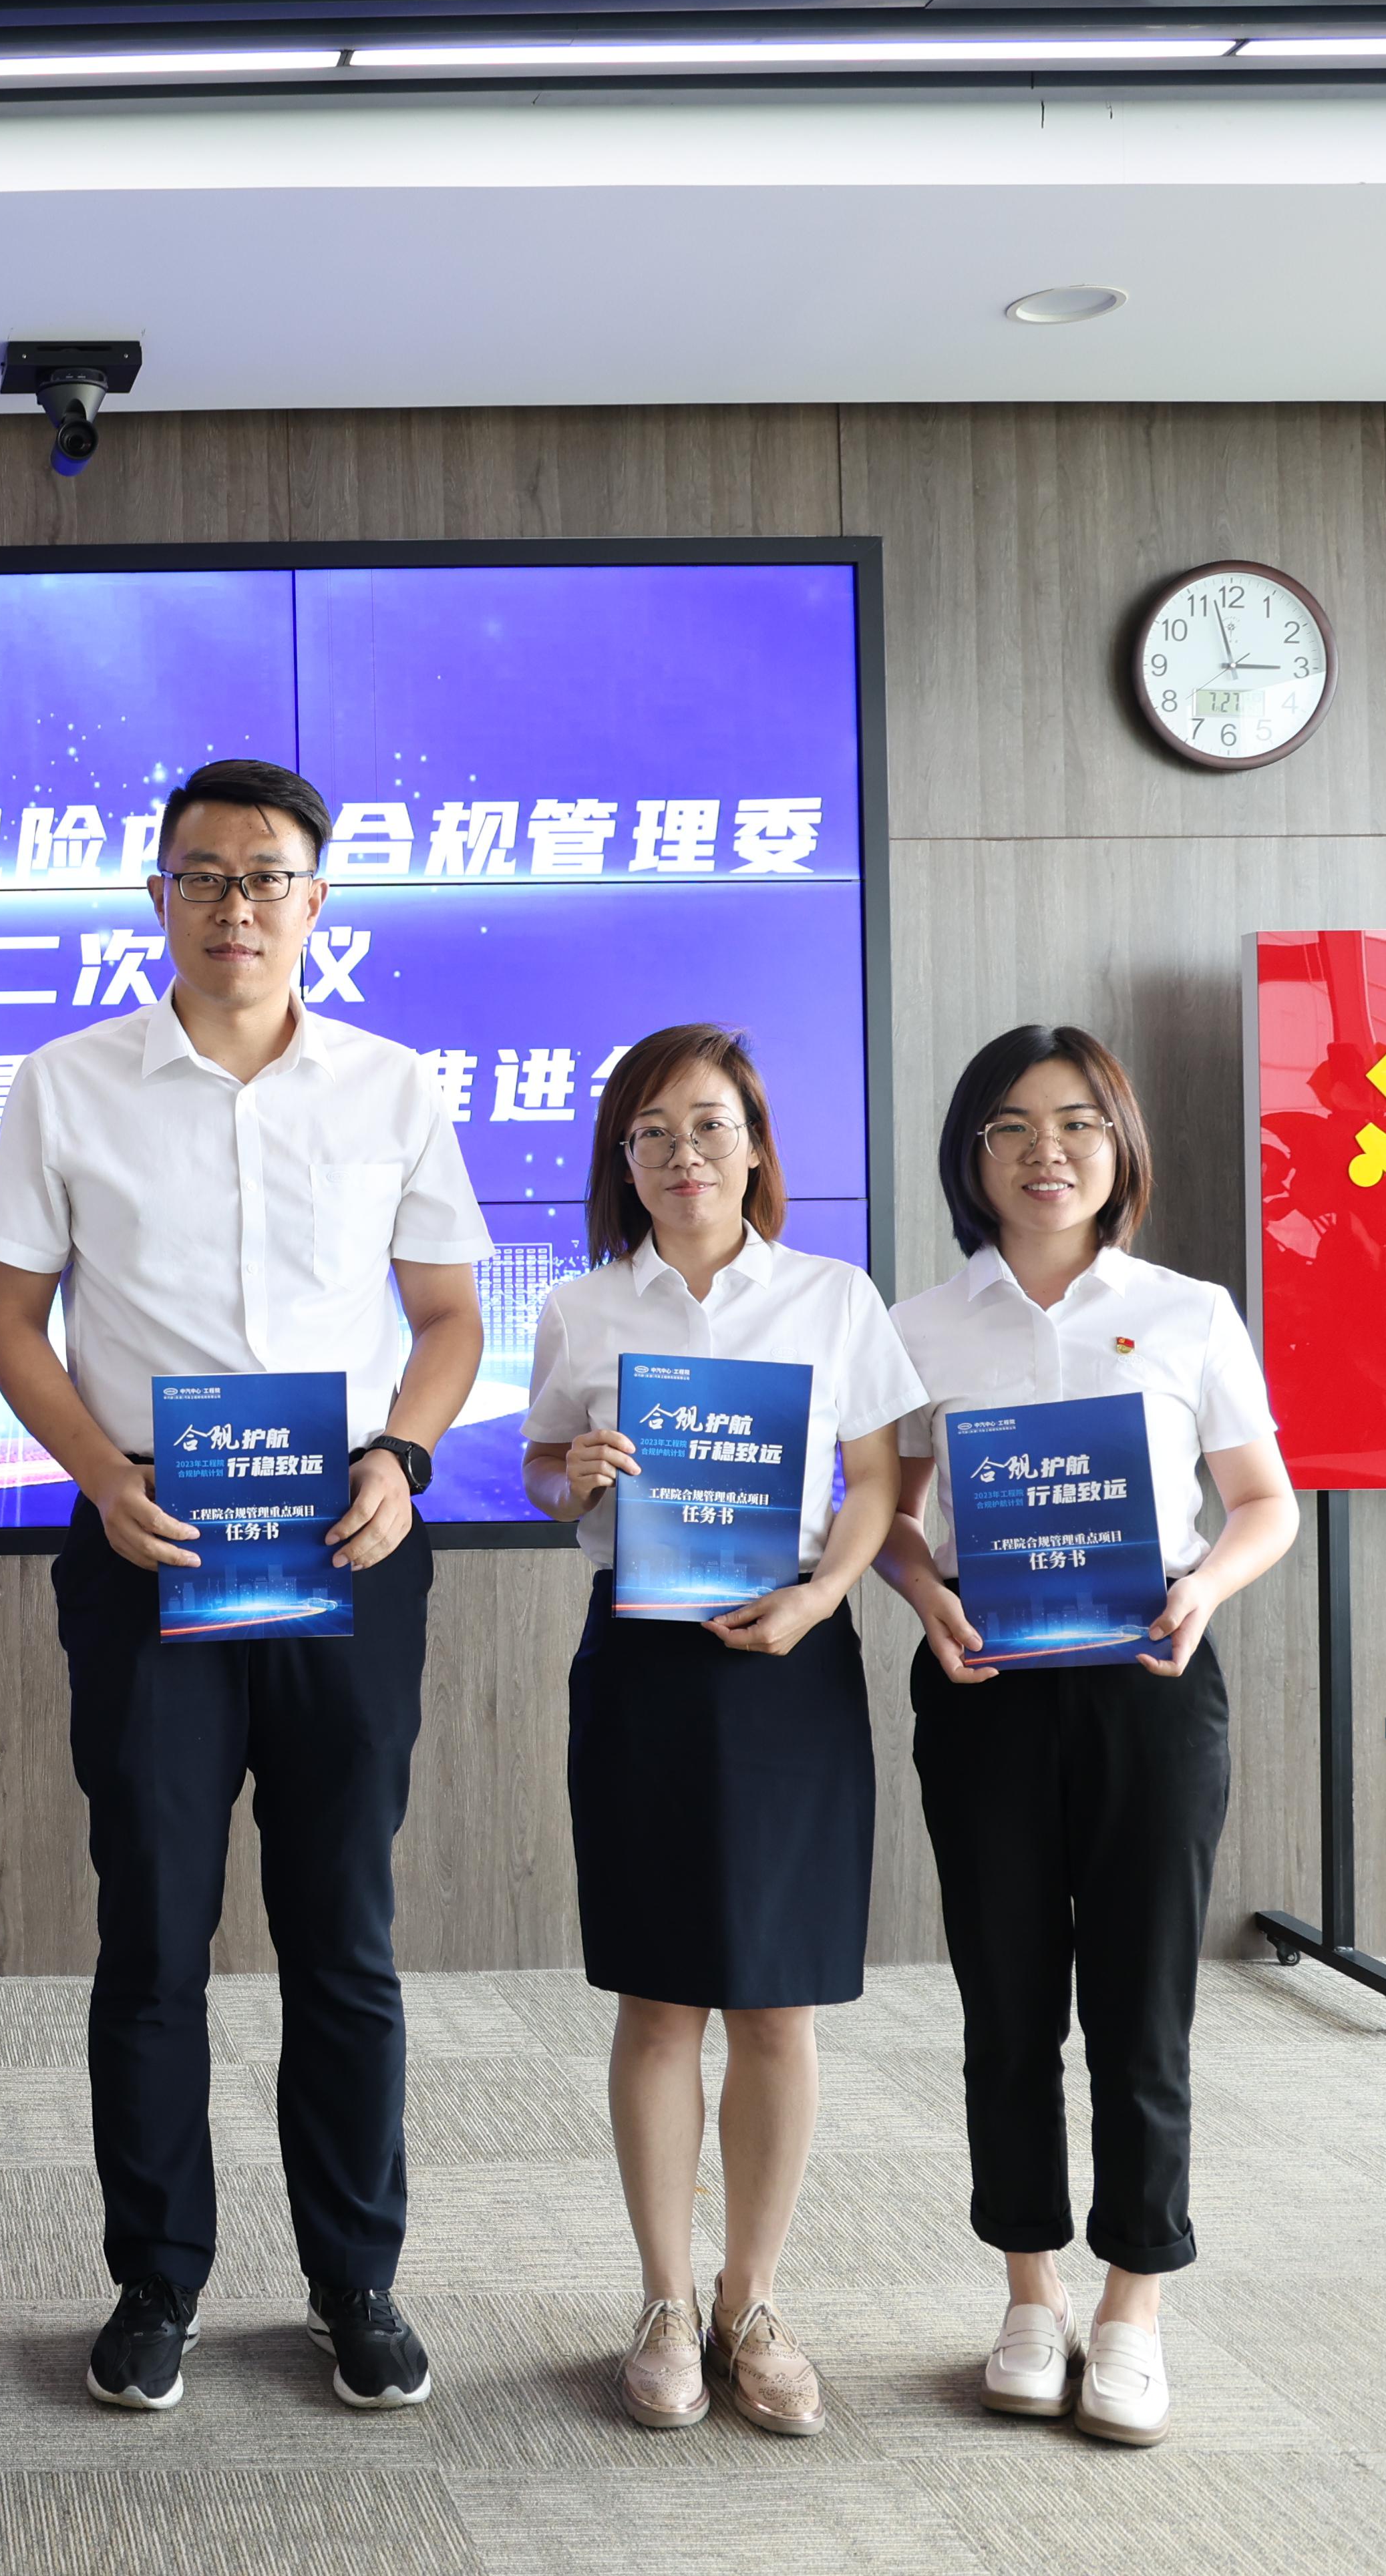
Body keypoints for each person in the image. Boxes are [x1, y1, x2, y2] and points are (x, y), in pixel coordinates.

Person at [0, 757, 488, 2416]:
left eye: (267, 877)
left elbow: (450, 1318)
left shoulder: (393, 1086)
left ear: (316, 903)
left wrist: (404, 1454)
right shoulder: (67, 1084)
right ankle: (158, 2279)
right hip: (148, 1544)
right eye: (203, 875)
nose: (235, 905)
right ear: (158, 897)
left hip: (346, 1542)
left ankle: (357, 2281)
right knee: (153, 1932)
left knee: (344, 1931)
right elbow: (8, 1322)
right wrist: (97, 1475)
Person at [873, 1025, 1295, 2448]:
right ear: (971, 1156)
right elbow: (894, 1518)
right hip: (983, 1686)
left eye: (1075, 1123)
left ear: (1119, 1147)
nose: (1044, 1151)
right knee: (1005, 2004)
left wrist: (1206, 1585)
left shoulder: (1187, 1311)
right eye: (1009, 1125)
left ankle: (1132, 2305)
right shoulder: (921, 1325)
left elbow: (1264, 1504)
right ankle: (1028, 2292)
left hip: (1150, 1687)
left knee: (1141, 2006)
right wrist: (925, 1594)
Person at [520, 1021, 924, 2440]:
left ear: (754, 1148)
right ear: (622, 1162)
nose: (683, 1153)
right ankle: (662, 2301)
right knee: (657, 1998)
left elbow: (876, 1479)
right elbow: (540, 1474)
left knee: (775, 2000)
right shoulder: (583, 1307)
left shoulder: (831, 1295)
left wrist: (822, 1594)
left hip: (787, 1665)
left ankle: (752, 2302)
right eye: (652, 1133)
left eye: (709, 1126)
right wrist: (572, 1473)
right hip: (641, 1663)